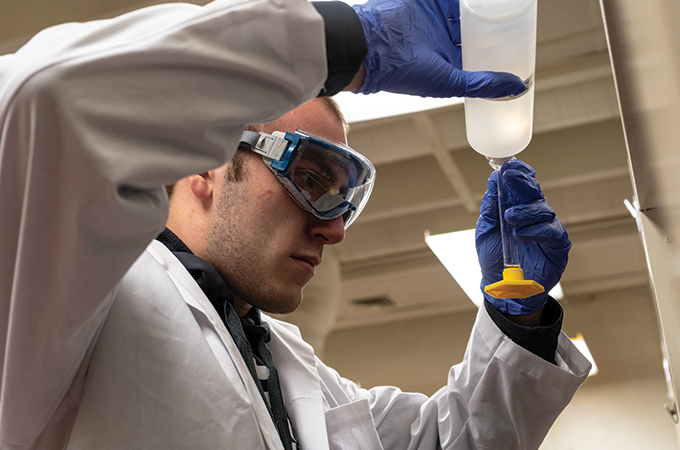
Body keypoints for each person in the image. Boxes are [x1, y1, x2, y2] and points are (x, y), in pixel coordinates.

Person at [0, 0, 590, 449]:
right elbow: (45, 102)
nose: (333, 230)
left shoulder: (283, 363)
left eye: (341, 199)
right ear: (207, 162)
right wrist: (338, 41)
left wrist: (520, 321)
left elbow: (441, 440)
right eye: (309, 179)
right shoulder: (70, 300)